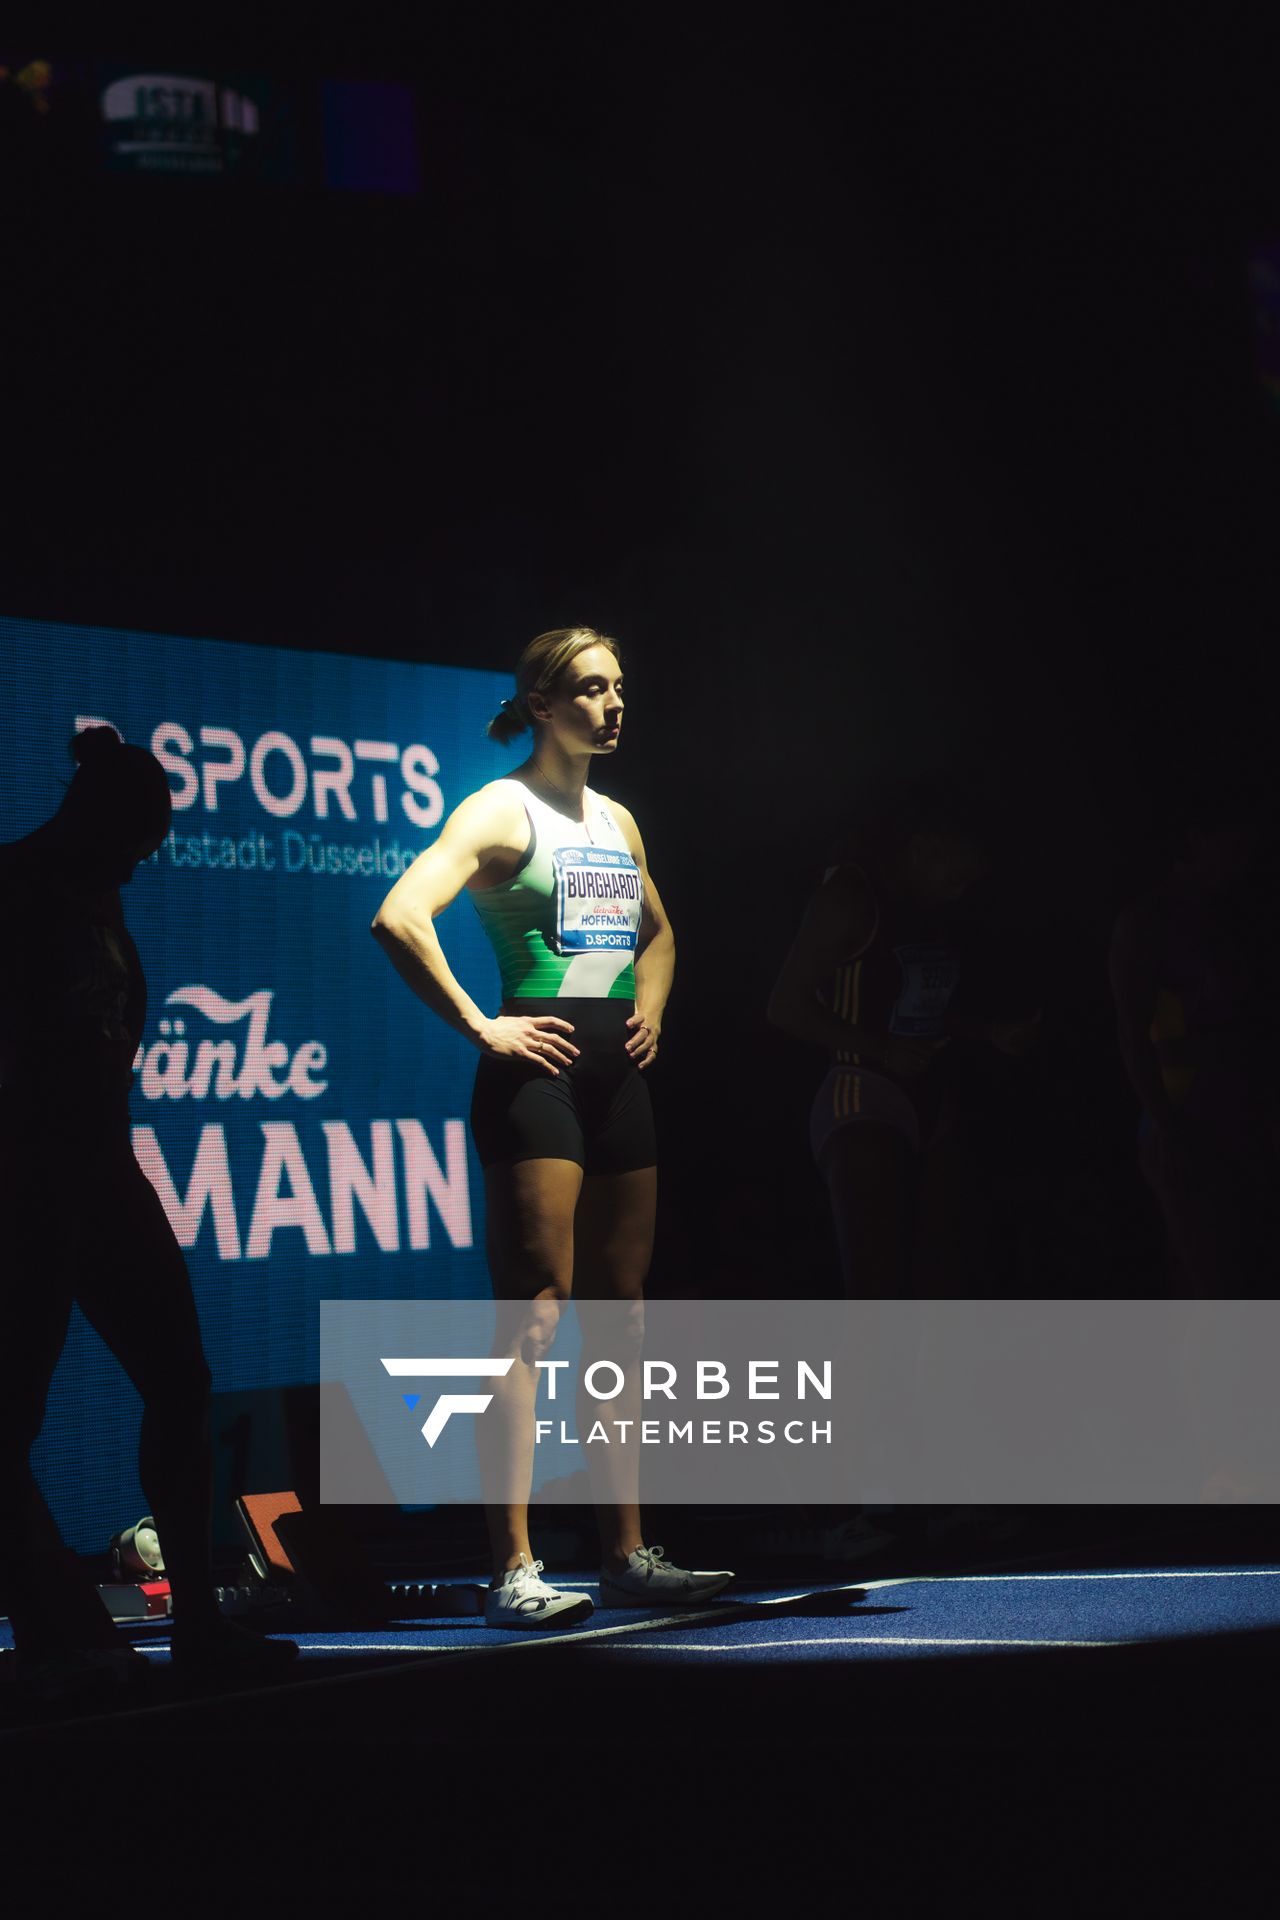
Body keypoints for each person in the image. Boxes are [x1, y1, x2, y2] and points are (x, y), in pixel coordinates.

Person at [371, 626, 733, 1626]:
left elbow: (659, 934)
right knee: (531, 1320)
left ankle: (626, 1555)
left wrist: (651, 1009)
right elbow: (399, 916)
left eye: (619, 687)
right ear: (541, 703)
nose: (614, 705)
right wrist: (481, 1025)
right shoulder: (500, 808)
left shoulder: (617, 820)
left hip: (620, 1081)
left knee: (621, 1317)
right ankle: (514, 1571)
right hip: (538, 1083)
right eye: (590, 689)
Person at [0, 727, 298, 1698]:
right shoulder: (15, 889)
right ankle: (57, 1632)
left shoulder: (98, 896)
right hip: (25, 1182)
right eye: (135, 846)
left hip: (105, 1175)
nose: (140, 867)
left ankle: (198, 1624)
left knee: (180, 1379)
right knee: (13, 1418)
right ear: (93, 823)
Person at [768, 775, 1040, 1297]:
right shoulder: (849, 896)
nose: (959, 892)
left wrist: (989, 1032)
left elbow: (913, 1007)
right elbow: (784, 1007)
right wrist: (881, 1050)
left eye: (969, 884)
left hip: (934, 1100)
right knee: (878, 1293)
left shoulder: (931, 908)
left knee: (941, 1285)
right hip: (863, 1096)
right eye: (955, 877)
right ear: (923, 846)